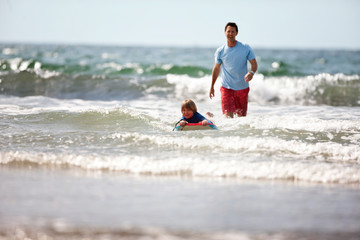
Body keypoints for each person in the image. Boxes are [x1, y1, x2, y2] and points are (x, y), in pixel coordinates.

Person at [209, 22, 258, 118]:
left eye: (232, 32)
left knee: (241, 118)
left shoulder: (245, 48)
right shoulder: (220, 50)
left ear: (236, 33)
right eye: (228, 31)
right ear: (225, 32)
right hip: (226, 87)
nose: (230, 34)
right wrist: (212, 86)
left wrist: (251, 73)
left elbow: (254, 64)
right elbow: (216, 68)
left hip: (242, 87)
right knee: (228, 117)